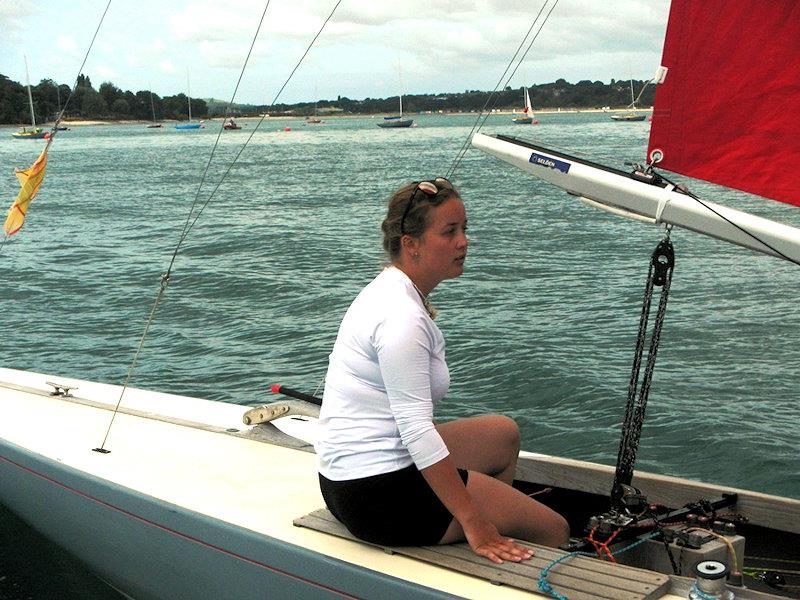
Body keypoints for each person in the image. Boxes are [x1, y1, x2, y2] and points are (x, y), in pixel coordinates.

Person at [315, 178, 569, 564]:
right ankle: (484, 538)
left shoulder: (391, 288)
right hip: (376, 495)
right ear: (410, 244)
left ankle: (488, 534)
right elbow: (417, 431)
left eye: (464, 229)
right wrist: (475, 521)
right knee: (555, 529)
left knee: (503, 435)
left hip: (350, 477)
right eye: (450, 232)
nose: (463, 241)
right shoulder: (401, 319)